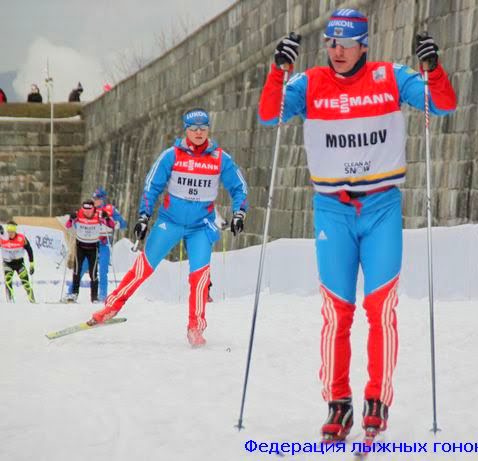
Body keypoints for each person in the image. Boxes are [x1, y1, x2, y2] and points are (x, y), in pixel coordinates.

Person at [258, 9, 457, 439]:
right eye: (331, 42)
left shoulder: (389, 77)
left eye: (347, 44)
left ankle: (377, 399)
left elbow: (442, 104)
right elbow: (270, 115)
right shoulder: (310, 83)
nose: (337, 51)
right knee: (337, 312)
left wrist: (433, 68)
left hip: (381, 207)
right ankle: (338, 403)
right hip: (333, 210)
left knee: (381, 309)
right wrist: (278, 71)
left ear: (363, 45)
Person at [89, 108, 249, 348]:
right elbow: (152, 186)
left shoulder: (219, 158)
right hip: (170, 222)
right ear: (186, 130)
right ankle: (111, 307)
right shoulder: (171, 155)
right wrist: (144, 217)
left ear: (208, 130)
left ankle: (196, 327)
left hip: (200, 226)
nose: (198, 133)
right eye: (193, 129)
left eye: (203, 128)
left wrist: (239, 213)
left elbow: (239, 186)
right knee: (143, 268)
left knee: (200, 277)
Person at [64, 200, 115, 303]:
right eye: (85, 209)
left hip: (96, 246)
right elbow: (68, 225)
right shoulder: (79, 214)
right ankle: (72, 293)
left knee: (97, 272)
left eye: (89, 209)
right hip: (81, 246)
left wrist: (107, 218)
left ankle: (98, 296)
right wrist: (71, 219)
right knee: (78, 270)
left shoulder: (100, 214)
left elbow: (112, 225)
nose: (87, 212)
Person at [0, 221, 36, 303]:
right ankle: (10, 302)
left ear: (15, 231)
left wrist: (32, 264)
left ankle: (32, 301)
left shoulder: (21, 238)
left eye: (12, 232)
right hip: (7, 264)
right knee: (8, 282)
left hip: (19, 264)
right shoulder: (2, 238)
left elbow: (29, 250)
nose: (10, 234)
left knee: (26, 283)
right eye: (9, 232)